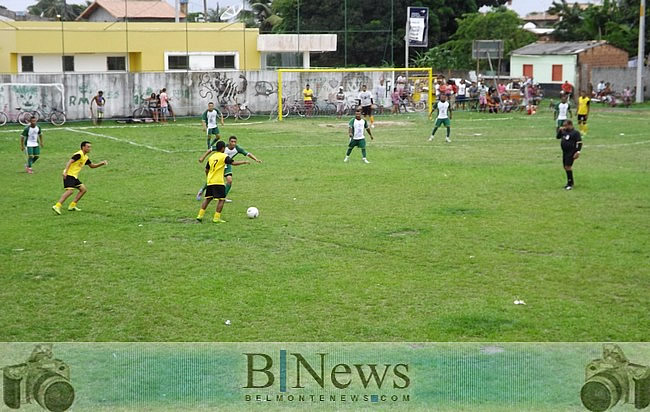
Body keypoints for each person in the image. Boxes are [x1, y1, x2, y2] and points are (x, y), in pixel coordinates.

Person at [195, 140, 248, 223]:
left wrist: (208, 177)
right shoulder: (224, 156)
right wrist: (244, 162)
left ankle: (200, 216)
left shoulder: (211, 157)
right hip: (218, 182)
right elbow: (233, 163)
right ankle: (216, 218)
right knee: (222, 199)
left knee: (208, 199)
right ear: (223, 148)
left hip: (210, 181)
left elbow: (206, 169)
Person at [196, 135, 261, 202]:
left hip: (228, 165)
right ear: (229, 142)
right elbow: (210, 149)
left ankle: (223, 197)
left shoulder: (237, 148)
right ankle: (202, 190)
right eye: (232, 141)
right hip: (219, 164)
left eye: (234, 142)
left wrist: (256, 159)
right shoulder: (223, 147)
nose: (233, 143)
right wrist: (202, 157)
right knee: (212, 179)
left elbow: (248, 153)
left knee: (229, 181)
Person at [52, 141, 108, 215]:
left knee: (83, 189)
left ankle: (72, 205)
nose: (90, 148)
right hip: (69, 175)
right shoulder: (79, 154)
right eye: (88, 147)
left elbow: (92, 166)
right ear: (83, 147)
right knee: (70, 191)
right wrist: (65, 171)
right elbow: (69, 162)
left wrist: (102, 163)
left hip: (74, 176)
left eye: (90, 147)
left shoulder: (85, 157)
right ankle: (57, 206)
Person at [556, 120, 582, 190]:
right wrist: (559, 130)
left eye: (566, 125)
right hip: (565, 152)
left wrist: (578, 152)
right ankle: (571, 182)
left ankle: (570, 184)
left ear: (570, 125)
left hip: (571, 152)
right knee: (565, 167)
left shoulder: (575, 133)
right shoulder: (564, 131)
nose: (564, 127)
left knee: (568, 166)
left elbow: (579, 142)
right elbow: (557, 137)